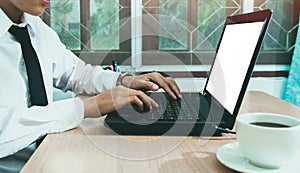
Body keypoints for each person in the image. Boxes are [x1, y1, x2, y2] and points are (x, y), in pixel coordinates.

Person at [0, 0, 182, 172]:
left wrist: (124, 80)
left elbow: (77, 73)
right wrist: (88, 106)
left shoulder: (35, 27)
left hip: (47, 154)